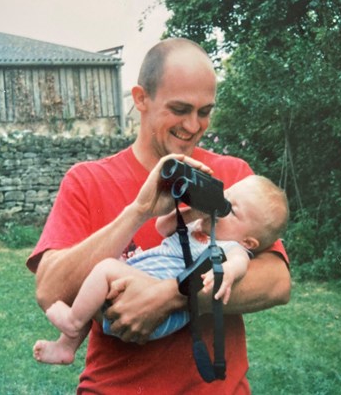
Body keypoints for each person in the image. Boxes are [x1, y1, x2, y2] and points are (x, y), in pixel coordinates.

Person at [27, 38, 291, 394]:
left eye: (204, 111)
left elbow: (277, 283)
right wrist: (139, 212)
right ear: (140, 99)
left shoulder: (234, 179)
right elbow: (49, 291)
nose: (194, 125)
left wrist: (170, 295)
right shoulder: (87, 180)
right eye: (180, 109)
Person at [33, 174, 289, 366]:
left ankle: (73, 322)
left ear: (249, 242)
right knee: (100, 276)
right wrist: (193, 212)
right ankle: (67, 347)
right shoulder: (196, 228)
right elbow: (163, 228)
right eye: (224, 198)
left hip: (161, 315)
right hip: (136, 286)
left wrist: (226, 273)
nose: (220, 208)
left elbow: (238, 265)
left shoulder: (232, 246)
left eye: (231, 210)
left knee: (106, 268)